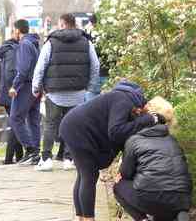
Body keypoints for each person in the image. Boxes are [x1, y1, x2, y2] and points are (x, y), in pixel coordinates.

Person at [59, 80, 162, 221]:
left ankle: (81, 217)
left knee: (84, 175)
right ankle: (89, 218)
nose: (139, 113)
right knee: (89, 175)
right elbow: (115, 131)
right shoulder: (123, 100)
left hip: (72, 125)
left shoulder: (122, 98)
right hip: (77, 130)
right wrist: (149, 120)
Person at [32, 13, 100, 171]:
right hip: (78, 92)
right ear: (74, 24)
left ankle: (46, 159)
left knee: (50, 125)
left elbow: (40, 66)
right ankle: (69, 159)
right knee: (73, 125)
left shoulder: (51, 42)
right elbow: (95, 65)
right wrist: (89, 86)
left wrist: (36, 87)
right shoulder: (86, 42)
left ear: (62, 24)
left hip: (54, 93)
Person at [113, 96, 192, 221]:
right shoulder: (173, 141)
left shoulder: (134, 140)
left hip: (151, 197)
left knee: (119, 186)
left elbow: (126, 174)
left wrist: (121, 175)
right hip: (183, 199)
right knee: (164, 200)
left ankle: (144, 219)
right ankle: (178, 214)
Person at [9, 19, 41, 166]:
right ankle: (36, 152)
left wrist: (14, 86)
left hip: (26, 86)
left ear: (18, 30)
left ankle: (30, 150)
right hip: (36, 86)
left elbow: (23, 69)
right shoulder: (35, 43)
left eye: (13, 29)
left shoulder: (24, 44)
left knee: (15, 118)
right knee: (33, 119)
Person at [0, 32, 23, 164]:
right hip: (12, 93)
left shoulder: (6, 49)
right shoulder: (13, 50)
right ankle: (9, 157)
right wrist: (15, 87)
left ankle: (19, 156)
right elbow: (11, 74)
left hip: (7, 93)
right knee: (16, 123)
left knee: (15, 123)